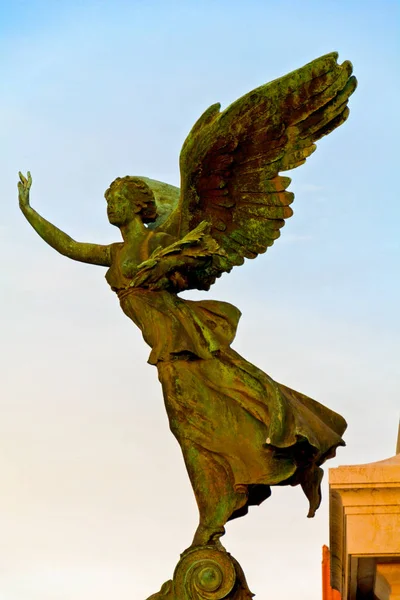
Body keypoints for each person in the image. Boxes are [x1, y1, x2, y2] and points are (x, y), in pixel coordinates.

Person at [18, 171, 347, 549]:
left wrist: (167, 265)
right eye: (108, 199)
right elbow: (70, 246)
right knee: (212, 415)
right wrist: (28, 209)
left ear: (139, 205)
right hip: (168, 352)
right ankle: (278, 469)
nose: (110, 205)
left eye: (118, 197)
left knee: (205, 421)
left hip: (184, 342)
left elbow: (199, 253)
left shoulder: (162, 242)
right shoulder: (115, 253)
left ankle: (217, 516)